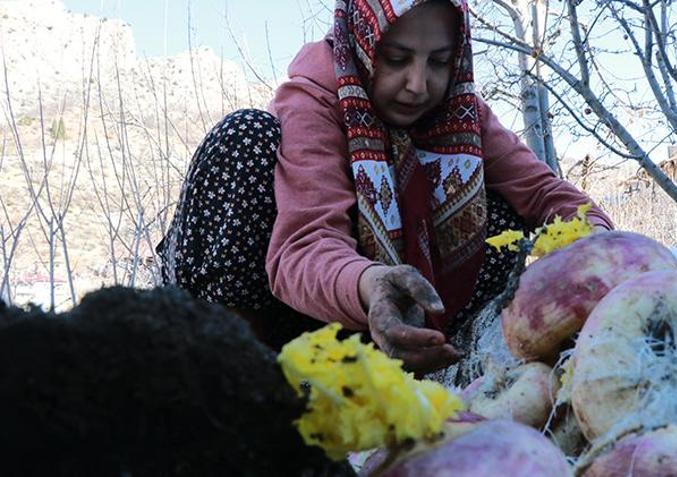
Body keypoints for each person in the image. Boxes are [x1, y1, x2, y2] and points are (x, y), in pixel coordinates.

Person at [157, 0, 613, 374]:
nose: (418, 85)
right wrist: (371, 284)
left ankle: (434, 354)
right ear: (364, 40)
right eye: (395, 59)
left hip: (377, 323)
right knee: (245, 139)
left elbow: (544, 194)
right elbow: (305, 242)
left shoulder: (463, 112)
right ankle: (235, 370)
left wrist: (610, 252)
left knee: (500, 218)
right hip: (291, 311)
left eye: (437, 61)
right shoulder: (316, 99)